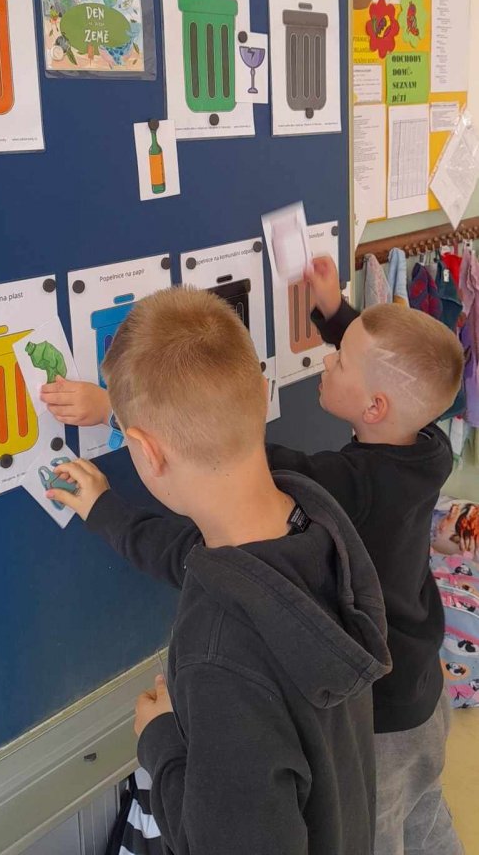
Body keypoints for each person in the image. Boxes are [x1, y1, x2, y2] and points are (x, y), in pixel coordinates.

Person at [44, 286, 391, 855]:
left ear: (145, 451)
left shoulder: (219, 652)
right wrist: (104, 511)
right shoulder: (313, 524)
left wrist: (161, 742)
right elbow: (189, 555)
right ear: (261, 392)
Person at [269, 258, 464, 855]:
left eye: (338, 360)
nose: (327, 360)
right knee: (425, 813)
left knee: (374, 836)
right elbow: (384, 367)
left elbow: (247, 459)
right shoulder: (429, 446)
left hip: (382, 718)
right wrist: (333, 308)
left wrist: (123, 409)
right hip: (423, 689)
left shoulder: (349, 482)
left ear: (373, 409)